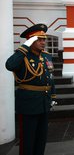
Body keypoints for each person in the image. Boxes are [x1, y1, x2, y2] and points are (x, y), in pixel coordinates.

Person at [5, 24, 56, 155]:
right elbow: (9, 65)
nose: (43, 42)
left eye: (44, 39)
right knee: (28, 140)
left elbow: (50, 77)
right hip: (29, 104)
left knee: (41, 139)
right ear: (30, 40)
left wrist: (53, 97)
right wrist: (25, 47)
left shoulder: (46, 56)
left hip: (44, 103)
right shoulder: (23, 56)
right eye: (39, 39)